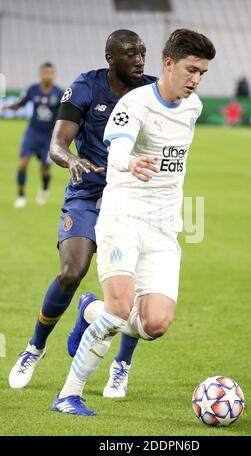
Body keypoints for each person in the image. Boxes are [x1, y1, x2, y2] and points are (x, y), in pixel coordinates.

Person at [51, 28, 216, 416]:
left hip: (163, 228)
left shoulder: (194, 108)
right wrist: (130, 162)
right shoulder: (135, 104)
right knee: (121, 307)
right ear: (169, 63)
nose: (196, 79)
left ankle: (89, 309)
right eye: (191, 69)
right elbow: (120, 145)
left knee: (154, 324)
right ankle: (68, 395)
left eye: (203, 73)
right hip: (122, 215)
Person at [8, 30, 156, 390]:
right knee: (72, 272)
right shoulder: (86, 87)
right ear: (110, 58)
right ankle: (35, 347)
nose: (139, 60)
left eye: (142, 53)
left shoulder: (151, 91)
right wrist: (71, 159)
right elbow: (57, 144)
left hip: (133, 198)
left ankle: (121, 364)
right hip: (88, 193)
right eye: (130, 54)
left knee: (134, 287)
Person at [2, 62, 64, 208]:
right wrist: (7, 107)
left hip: (48, 137)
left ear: (53, 74)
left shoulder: (59, 93)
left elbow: (63, 115)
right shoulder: (33, 89)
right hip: (32, 133)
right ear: (40, 74)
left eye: (50, 73)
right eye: (45, 72)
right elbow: (20, 104)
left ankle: (44, 189)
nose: (47, 75)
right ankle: (21, 197)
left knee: (45, 168)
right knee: (23, 163)